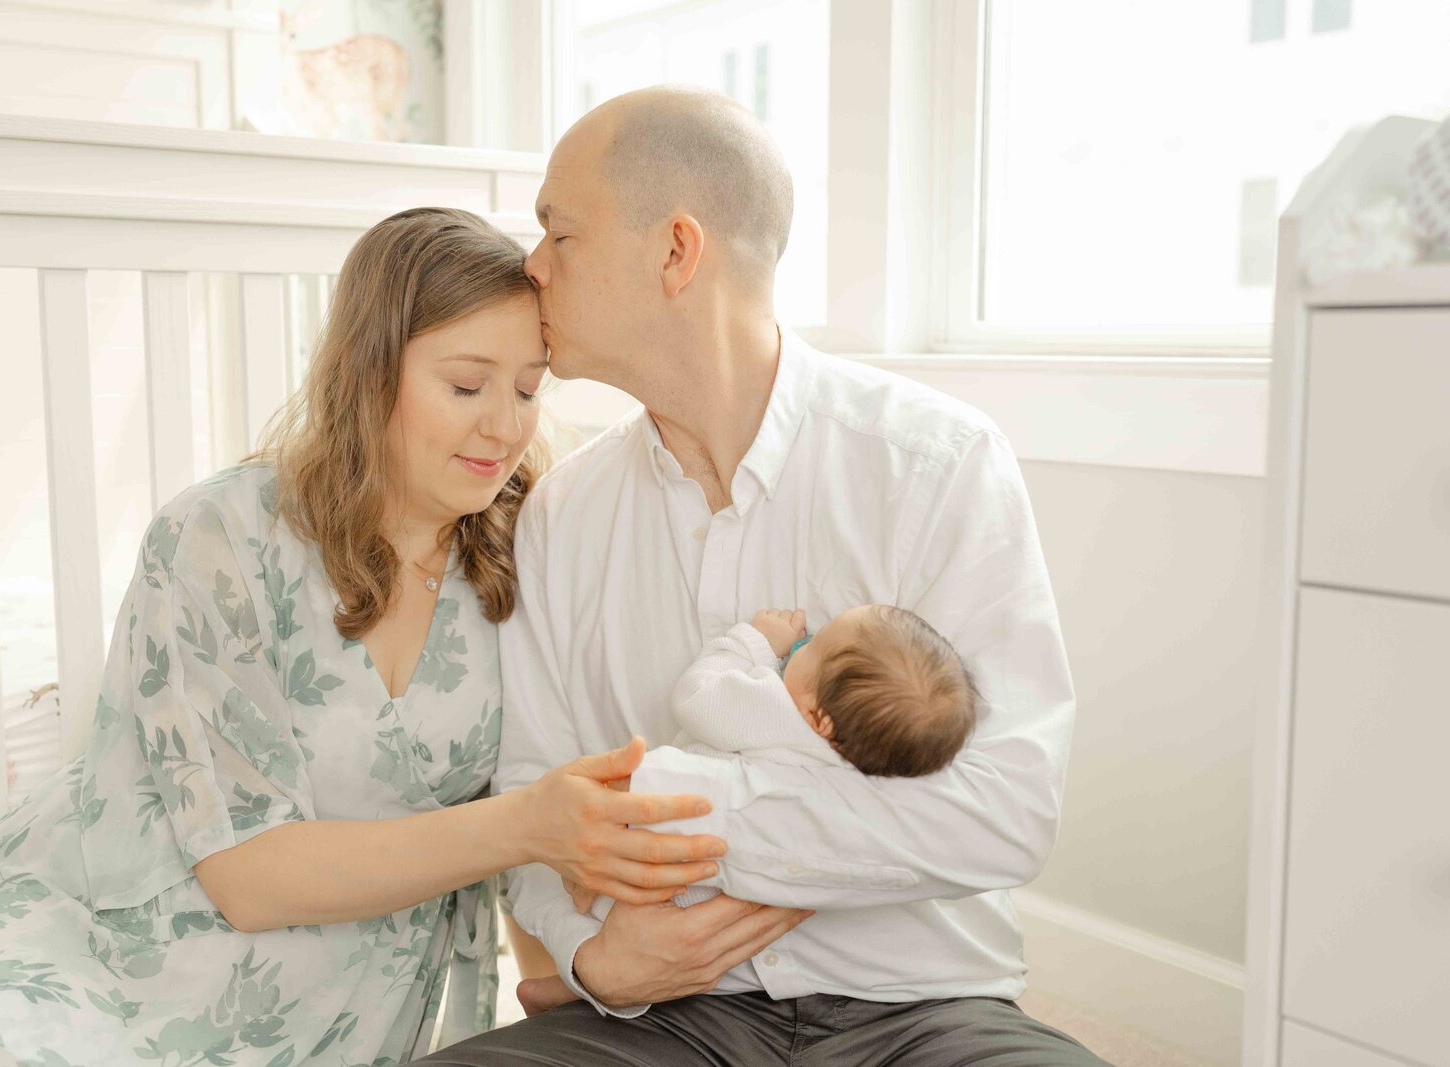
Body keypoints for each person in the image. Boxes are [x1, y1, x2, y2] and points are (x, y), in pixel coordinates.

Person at [0, 208, 723, 1066]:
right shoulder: (216, 536)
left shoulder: (535, 542)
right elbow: (248, 876)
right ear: (371, 371)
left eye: (529, 388)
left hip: (343, 1012)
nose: (505, 425)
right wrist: (529, 827)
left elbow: (554, 783)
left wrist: (564, 984)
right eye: (466, 385)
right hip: (107, 947)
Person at [421, 90, 1110, 1065]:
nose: (530, 267)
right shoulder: (561, 513)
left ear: (675, 252)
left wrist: (678, 806)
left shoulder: (935, 462)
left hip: (921, 1010)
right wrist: (591, 955)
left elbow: (1002, 814)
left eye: (559, 232)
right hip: (656, 1013)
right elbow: (540, 787)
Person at [516, 601, 979, 1015]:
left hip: (661, 852)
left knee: (599, 904)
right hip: (731, 890)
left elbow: (699, 697)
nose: (802, 643)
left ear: (819, 718)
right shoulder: (856, 764)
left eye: (812, 648)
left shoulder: (774, 707)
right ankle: (570, 989)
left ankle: (575, 984)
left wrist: (754, 642)